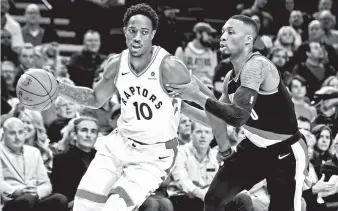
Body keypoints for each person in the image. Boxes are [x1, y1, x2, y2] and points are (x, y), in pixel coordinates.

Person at [49, 3, 213, 211]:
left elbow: (209, 105)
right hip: (120, 144)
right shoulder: (117, 64)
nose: (137, 37)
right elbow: (94, 99)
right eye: (132, 31)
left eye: (144, 32)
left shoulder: (169, 66)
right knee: (83, 205)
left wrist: (215, 114)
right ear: (125, 31)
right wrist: (58, 87)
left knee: (114, 207)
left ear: (153, 34)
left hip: (153, 154)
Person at [166, 15, 309, 211]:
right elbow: (218, 119)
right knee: (214, 199)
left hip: (285, 152)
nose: (222, 37)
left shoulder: (258, 65)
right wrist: (181, 106)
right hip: (253, 148)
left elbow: (237, 116)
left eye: (230, 32)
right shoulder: (229, 79)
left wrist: (197, 96)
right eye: (223, 31)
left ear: (248, 39)